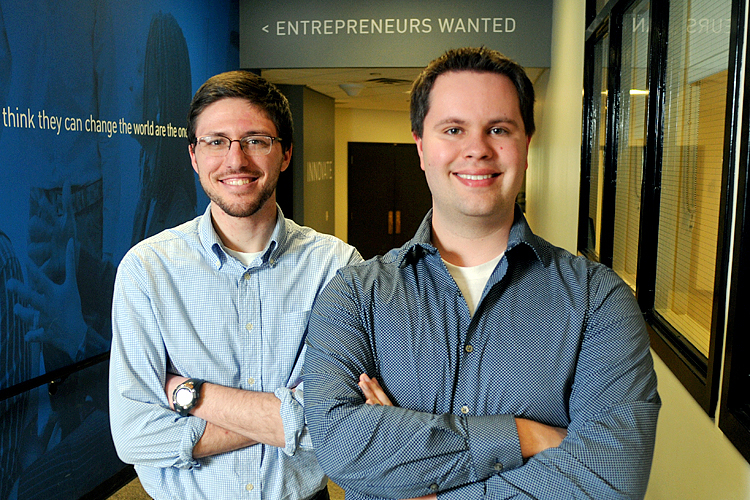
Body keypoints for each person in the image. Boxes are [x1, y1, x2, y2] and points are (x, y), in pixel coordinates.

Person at [303, 46, 661, 500]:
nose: (477, 149)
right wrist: (524, 436)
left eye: (498, 129)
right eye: (453, 129)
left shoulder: (598, 299)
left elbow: (610, 480)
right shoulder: (355, 294)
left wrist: (417, 477)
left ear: (526, 146)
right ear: (421, 147)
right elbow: (339, 446)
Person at [109, 70, 361, 500]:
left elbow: (340, 426)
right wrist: (285, 421)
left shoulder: (337, 266)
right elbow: (135, 436)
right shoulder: (147, 270)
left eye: (256, 140)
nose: (236, 160)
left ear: (285, 155)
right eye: (216, 141)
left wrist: (190, 395)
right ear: (193, 155)